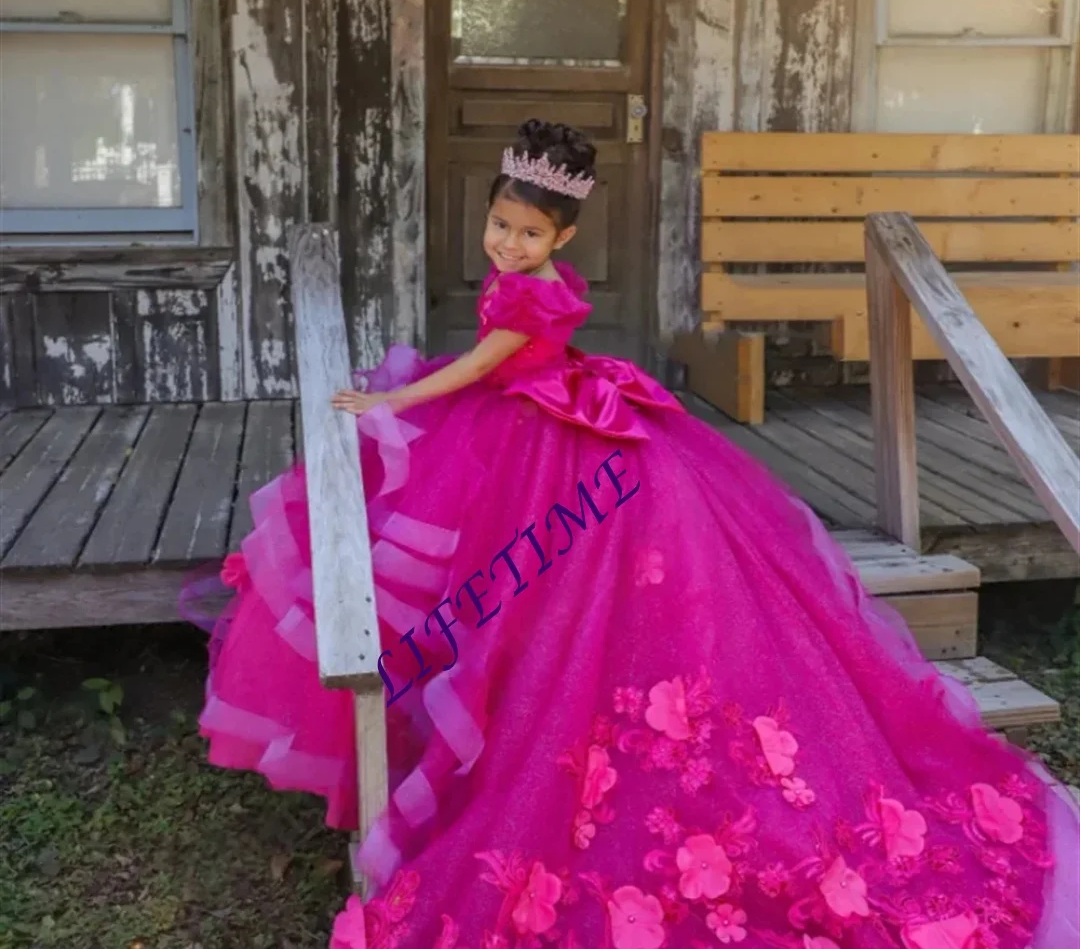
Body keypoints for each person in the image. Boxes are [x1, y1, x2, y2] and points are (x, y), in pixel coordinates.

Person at [185, 121, 1078, 948]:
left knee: (547, 581)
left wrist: (390, 397)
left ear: (563, 238)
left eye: (530, 234)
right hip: (531, 419)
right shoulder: (525, 278)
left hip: (545, 434)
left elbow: (476, 367)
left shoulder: (526, 298)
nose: (509, 244)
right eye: (500, 226)